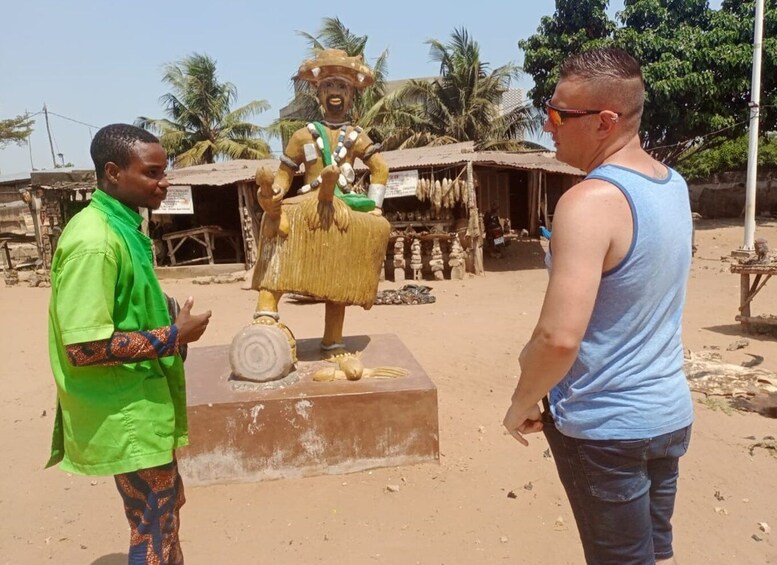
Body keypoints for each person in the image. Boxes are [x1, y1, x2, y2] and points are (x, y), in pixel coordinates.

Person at [502, 47, 694, 564]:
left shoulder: (588, 202)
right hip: (668, 415)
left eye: (561, 114)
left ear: (606, 121)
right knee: (651, 554)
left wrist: (523, 402)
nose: (549, 124)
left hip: (606, 428)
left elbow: (559, 338)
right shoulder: (672, 185)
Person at [46, 123, 211, 563]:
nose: (164, 181)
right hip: (125, 410)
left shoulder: (124, 230)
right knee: (153, 522)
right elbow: (82, 348)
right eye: (153, 173)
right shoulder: (95, 241)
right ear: (114, 172)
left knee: (165, 512)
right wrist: (173, 335)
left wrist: (169, 327)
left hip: (143, 402)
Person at [246, 49, 390, 366]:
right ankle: (266, 313)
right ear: (318, 93)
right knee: (281, 222)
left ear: (352, 95)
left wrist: (374, 206)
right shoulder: (302, 136)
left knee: (342, 267)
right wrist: (274, 195)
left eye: (342, 87)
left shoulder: (357, 137)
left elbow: (380, 169)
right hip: (308, 199)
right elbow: (284, 176)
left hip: (343, 204)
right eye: (328, 87)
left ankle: (333, 340)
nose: (335, 93)